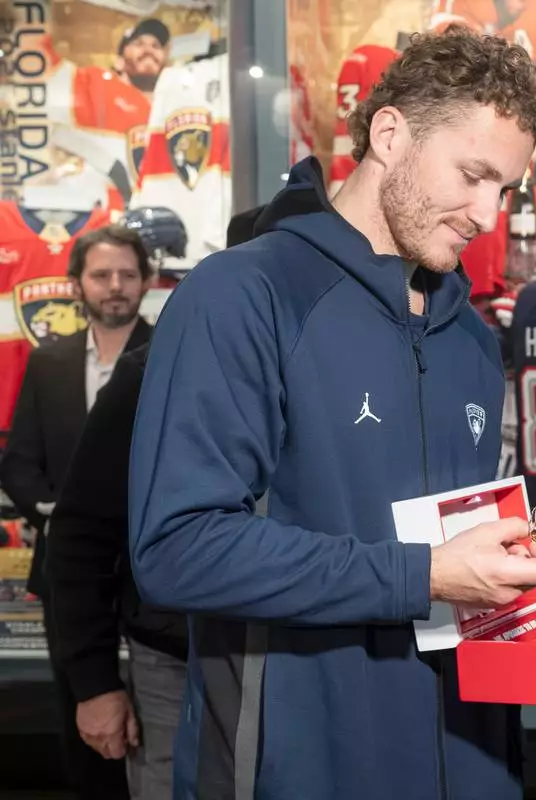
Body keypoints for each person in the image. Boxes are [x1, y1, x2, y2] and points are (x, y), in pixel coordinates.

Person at [127, 27, 536, 799]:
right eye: (474, 174)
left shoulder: (472, 338)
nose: (490, 212)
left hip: (474, 763)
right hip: (299, 769)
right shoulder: (244, 296)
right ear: (390, 134)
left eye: (508, 188)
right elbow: (177, 549)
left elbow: (451, 561)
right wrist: (425, 576)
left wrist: (532, 610)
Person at [45, 213, 259, 799]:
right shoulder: (150, 373)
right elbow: (81, 532)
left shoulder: (331, 369)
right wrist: (93, 683)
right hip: (174, 658)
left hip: (300, 654)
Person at [0, 223, 153, 798]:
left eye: (127, 275)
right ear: (77, 285)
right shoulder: (50, 362)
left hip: (150, 573)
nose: (115, 286)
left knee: (155, 719)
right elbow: (17, 460)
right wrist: (59, 515)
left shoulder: (170, 352)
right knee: (83, 713)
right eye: (101, 275)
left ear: (145, 283)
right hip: (67, 576)